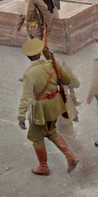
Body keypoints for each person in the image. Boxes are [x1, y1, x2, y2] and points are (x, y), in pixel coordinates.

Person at [17, 39, 78, 175]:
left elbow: (26, 97)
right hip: (55, 105)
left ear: (28, 56)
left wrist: (21, 116)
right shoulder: (52, 65)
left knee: (37, 137)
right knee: (51, 131)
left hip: (40, 110)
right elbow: (67, 80)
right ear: (40, 53)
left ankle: (43, 167)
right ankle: (70, 156)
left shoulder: (29, 74)